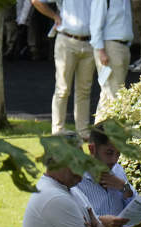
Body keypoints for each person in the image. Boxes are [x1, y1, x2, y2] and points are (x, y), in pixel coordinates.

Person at [33, 0, 96, 138]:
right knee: (63, 88)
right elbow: (36, 1)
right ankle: (58, 129)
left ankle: (83, 131)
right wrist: (55, 16)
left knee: (84, 89)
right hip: (67, 40)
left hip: (90, 42)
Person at [90, 0, 133, 117]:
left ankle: (99, 133)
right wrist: (101, 50)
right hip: (110, 47)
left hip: (123, 47)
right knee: (115, 95)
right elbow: (95, 24)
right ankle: (113, 133)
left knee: (107, 95)